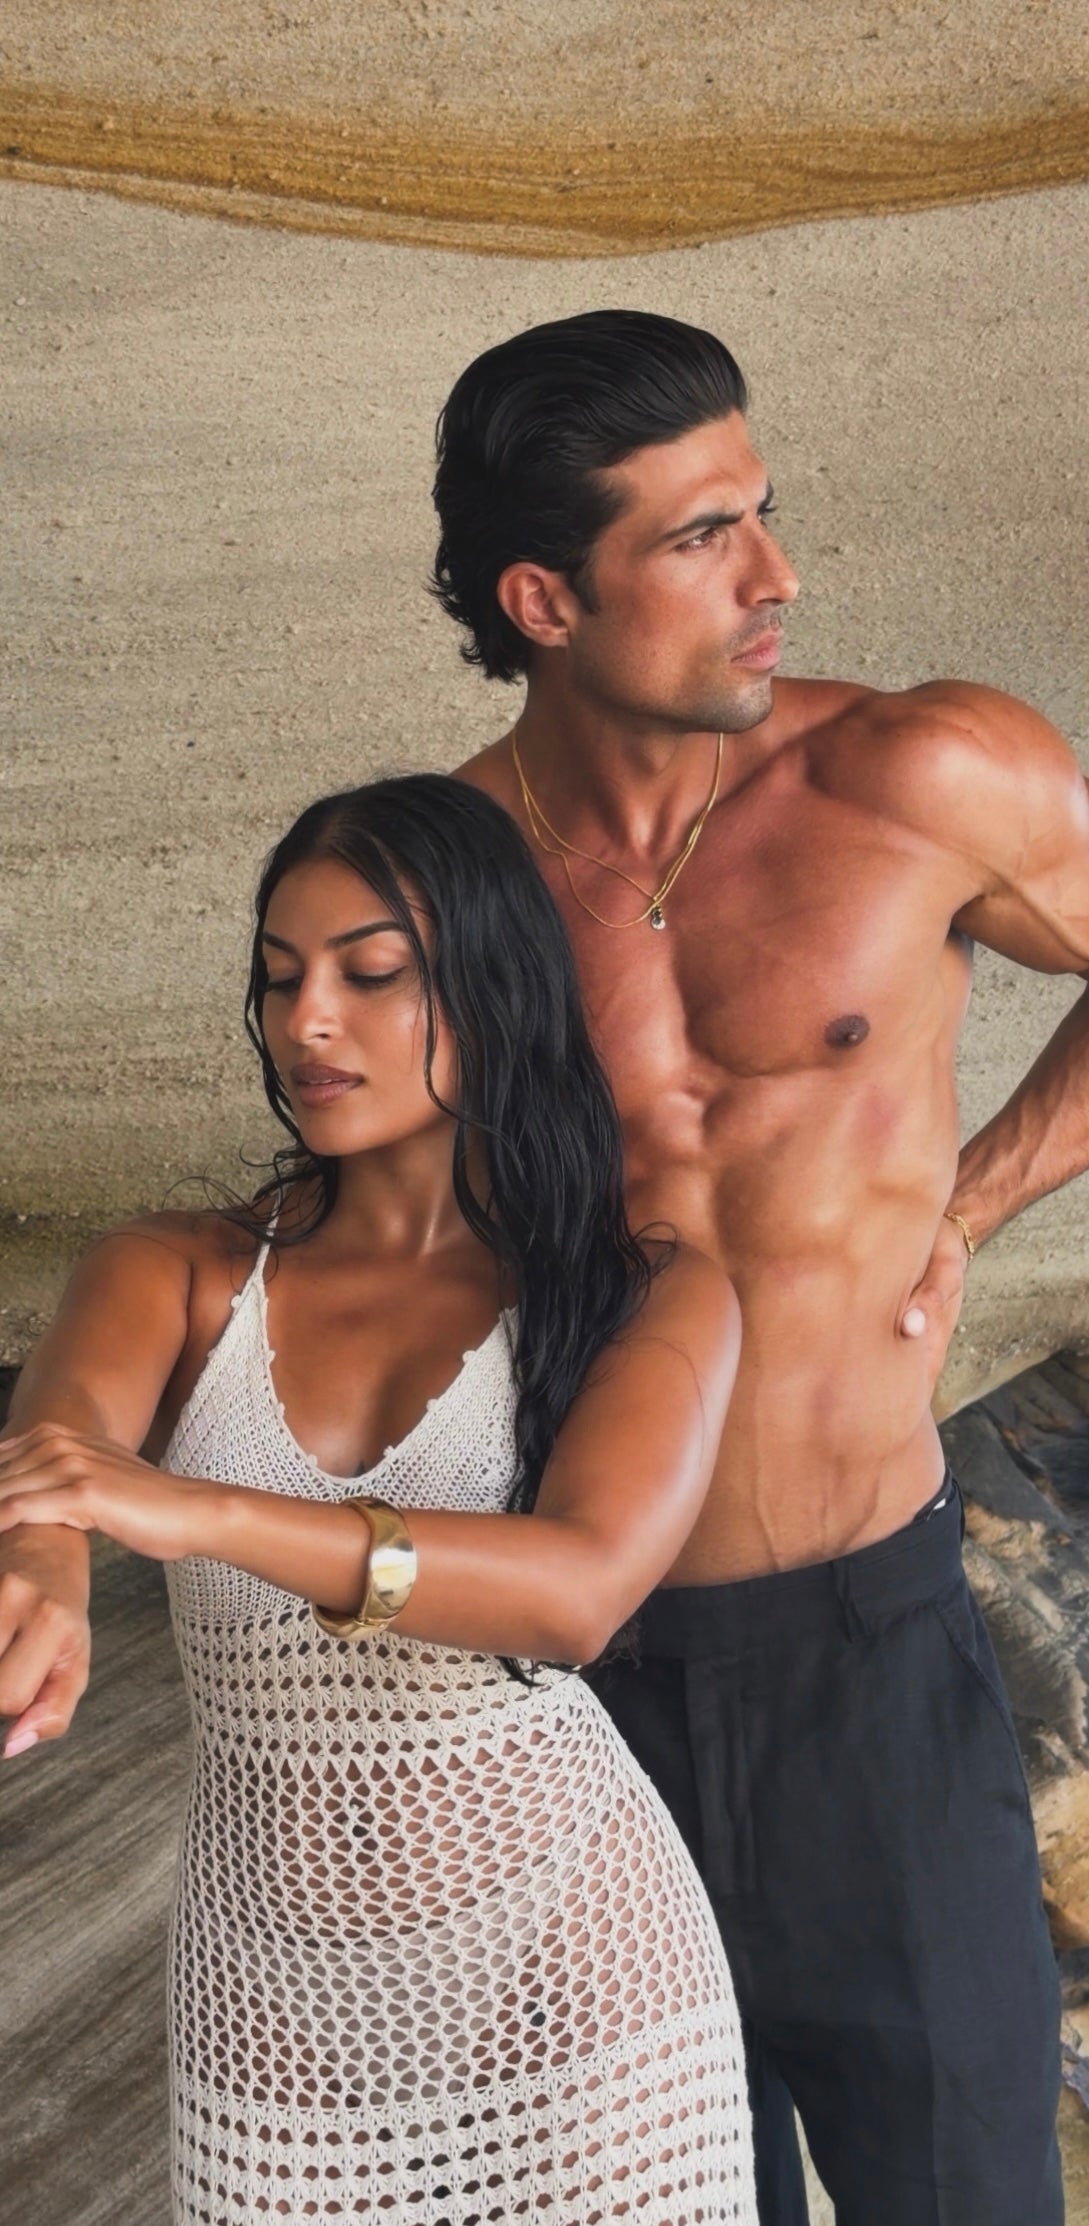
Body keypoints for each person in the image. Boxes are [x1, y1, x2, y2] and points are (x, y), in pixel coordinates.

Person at [435, 309, 1089, 2226]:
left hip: (869, 1653)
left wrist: (967, 1207)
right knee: (652, 2196)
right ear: (544, 599)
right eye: (701, 537)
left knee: (959, 2192)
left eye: (764, 510)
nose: (776, 575)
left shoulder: (919, 773)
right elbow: (347, 1240)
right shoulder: (444, 880)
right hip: (581, 1674)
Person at [0, 774, 761, 2226]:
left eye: (369, 973)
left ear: (490, 986)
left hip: (578, 1991)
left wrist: (201, 1512)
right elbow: (61, 1446)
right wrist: (45, 1560)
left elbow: (579, 1590)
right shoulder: (174, 1270)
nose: (307, 1021)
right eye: (280, 977)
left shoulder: (644, 1291)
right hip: (271, 2018)